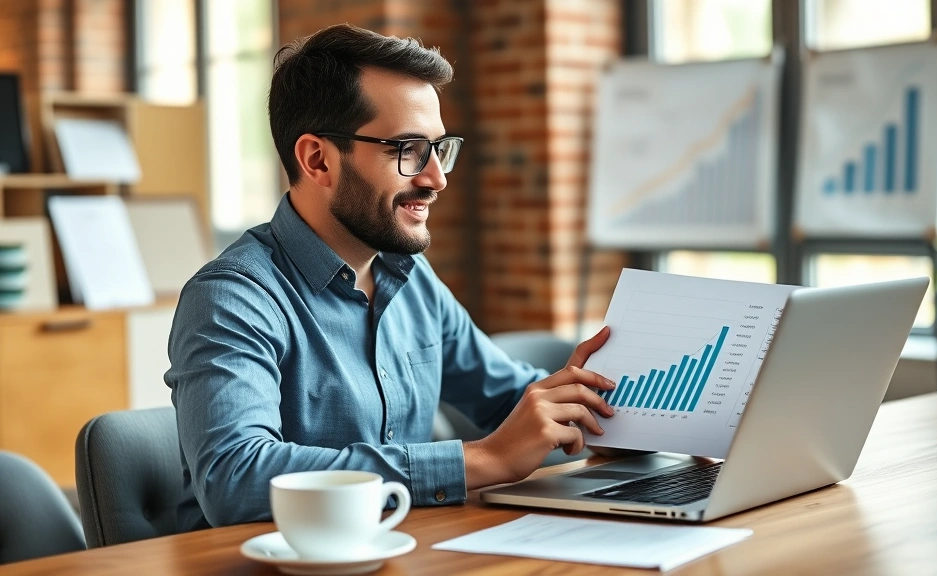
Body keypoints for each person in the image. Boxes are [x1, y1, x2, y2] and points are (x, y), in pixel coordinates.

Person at [165, 23, 617, 531]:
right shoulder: (231, 297)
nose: (436, 179)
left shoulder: (412, 280)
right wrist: (483, 461)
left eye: (439, 149)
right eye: (407, 150)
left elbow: (507, 399)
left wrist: (631, 410)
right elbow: (236, 479)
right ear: (318, 160)